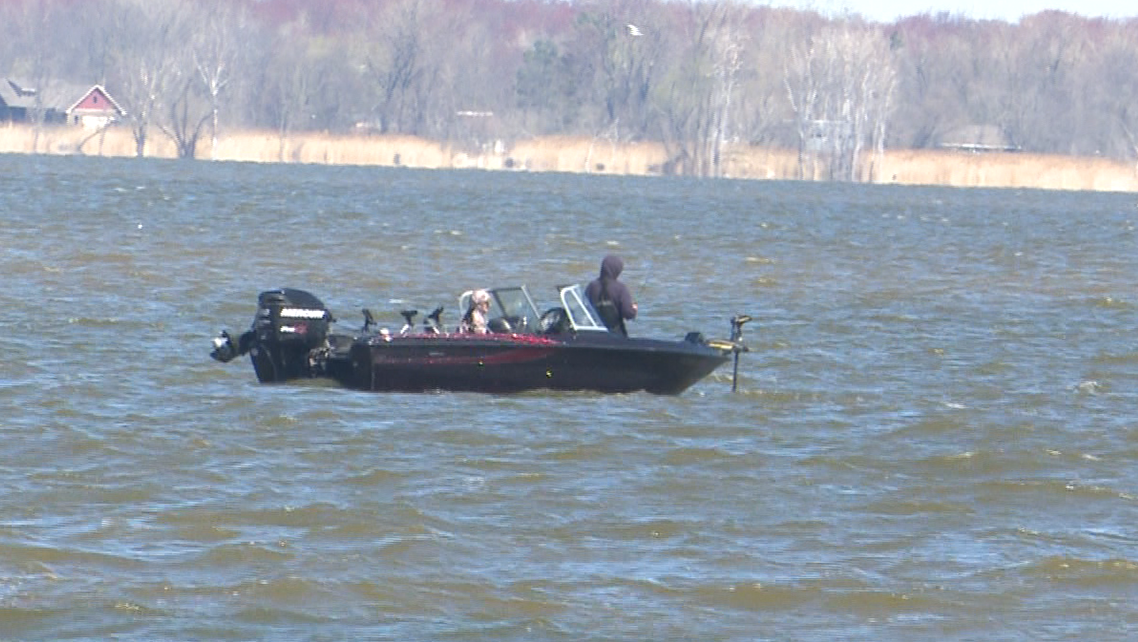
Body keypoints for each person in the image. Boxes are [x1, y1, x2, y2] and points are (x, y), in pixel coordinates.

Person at [585, 254, 637, 336]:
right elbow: (628, 314)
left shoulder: (591, 286)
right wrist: (634, 309)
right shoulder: (620, 288)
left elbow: (584, 310)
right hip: (616, 335)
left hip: (595, 333)